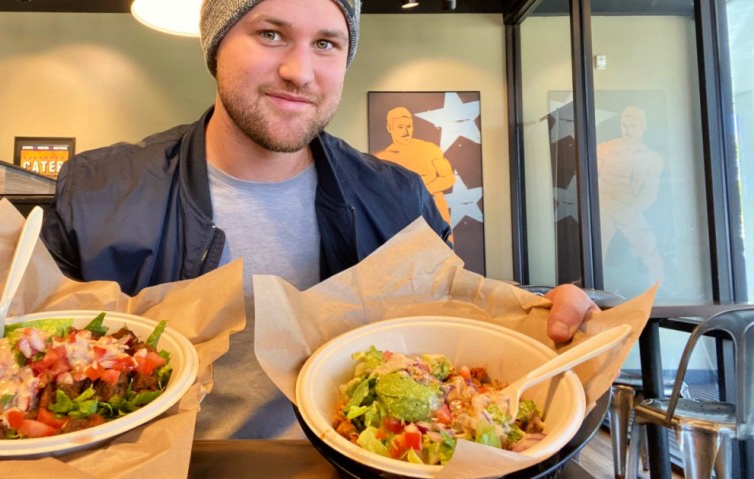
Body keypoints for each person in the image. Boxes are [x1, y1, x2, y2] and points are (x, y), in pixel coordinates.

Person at [40, 0, 598, 439]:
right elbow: (26, 361)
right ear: (215, 46)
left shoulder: (399, 198)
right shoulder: (97, 193)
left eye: (326, 43)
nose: (298, 71)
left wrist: (542, 314)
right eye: (270, 33)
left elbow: (456, 324)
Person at [597, 105, 664, 282]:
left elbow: (650, 193)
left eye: (633, 126)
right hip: (604, 210)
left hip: (629, 211)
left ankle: (657, 288)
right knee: (594, 251)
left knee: (650, 251)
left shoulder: (653, 158)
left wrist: (629, 211)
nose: (627, 130)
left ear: (643, 127)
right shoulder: (603, 149)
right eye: (624, 125)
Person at [375, 106, 456, 226]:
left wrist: (423, 191)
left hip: (435, 211)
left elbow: (449, 178)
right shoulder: (382, 158)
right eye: (400, 127)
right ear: (389, 128)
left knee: (440, 244)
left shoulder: (430, 149)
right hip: (402, 214)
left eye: (409, 126)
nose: (406, 132)